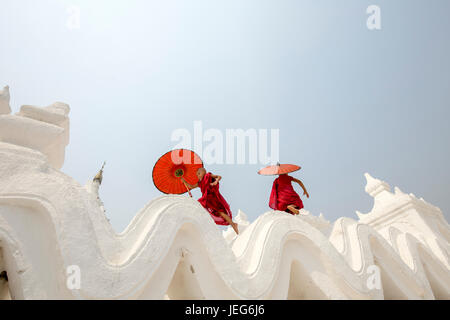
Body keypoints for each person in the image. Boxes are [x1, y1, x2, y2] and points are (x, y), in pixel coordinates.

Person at [181, 168, 239, 234]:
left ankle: (233, 224)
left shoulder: (208, 175)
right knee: (206, 208)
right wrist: (184, 181)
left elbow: (219, 176)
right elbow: (191, 186)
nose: (198, 176)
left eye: (199, 174)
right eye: (197, 175)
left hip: (212, 197)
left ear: (204, 172)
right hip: (207, 200)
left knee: (220, 212)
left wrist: (216, 181)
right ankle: (199, 220)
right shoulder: (200, 183)